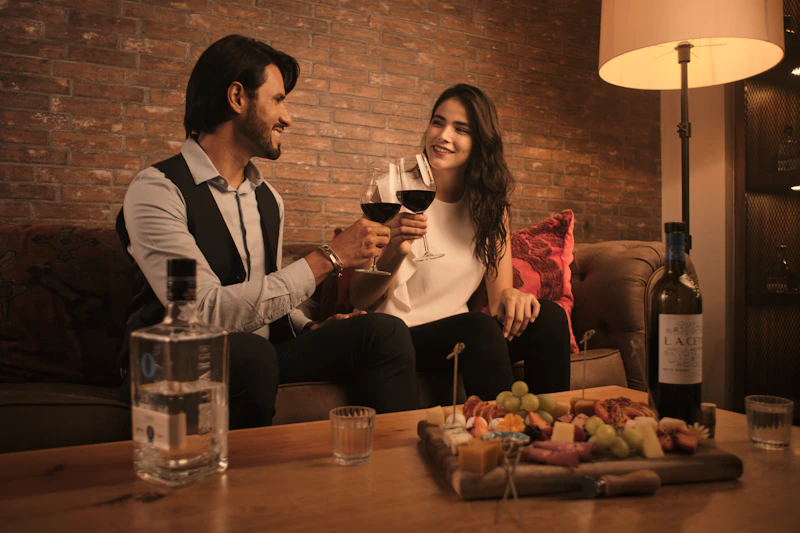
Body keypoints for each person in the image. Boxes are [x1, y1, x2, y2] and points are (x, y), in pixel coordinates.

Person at [117, 35, 419, 429]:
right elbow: (202, 312)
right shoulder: (157, 189)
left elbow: (265, 291)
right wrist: (330, 258)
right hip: (168, 361)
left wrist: (308, 326)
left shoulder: (267, 199)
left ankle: (400, 470)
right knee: (249, 355)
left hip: (257, 352)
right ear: (237, 97)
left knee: (383, 331)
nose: (287, 117)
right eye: (278, 99)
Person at [349, 84, 571, 399]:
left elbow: (499, 300)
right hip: (404, 337)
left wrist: (516, 299)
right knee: (475, 328)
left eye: (461, 129)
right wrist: (395, 253)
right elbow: (360, 297)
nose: (443, 135)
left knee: (548, 317)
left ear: (480, 142)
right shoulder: (390, 191)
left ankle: (553, 432)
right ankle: (503, 435)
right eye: (438, 122)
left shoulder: (491, 208)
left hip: (465, 334)